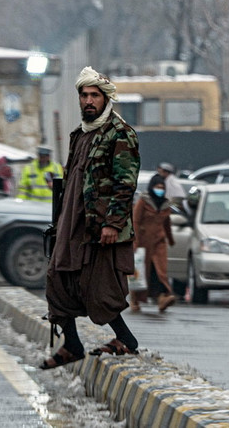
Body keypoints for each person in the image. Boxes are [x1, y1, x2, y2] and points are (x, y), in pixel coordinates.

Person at [39, 66, 141, 370]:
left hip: (99, 228)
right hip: (71, 226)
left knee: (99, 288)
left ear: (105, 99)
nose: (88, 100)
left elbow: (126, 184)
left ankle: (126, 340)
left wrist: (113, 223)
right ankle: (72, 345)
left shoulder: (119, 134)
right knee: (58, 282)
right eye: (84, 95)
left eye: (94, 95)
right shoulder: (79, 135)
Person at [130, 174, 176, 313]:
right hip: (143, 242)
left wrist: (170, 239)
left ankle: (162, 297)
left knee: (160, 271)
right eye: (157, 187)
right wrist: (135, 241)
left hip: (159, 243)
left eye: (162, 187)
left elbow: (167, 223)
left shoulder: (165, 204)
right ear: (152, 187)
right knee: (143, 272)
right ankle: (135, 298)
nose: (160, 189)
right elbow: (136, 221)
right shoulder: (143, 201)